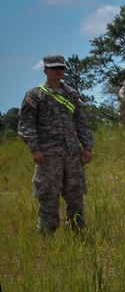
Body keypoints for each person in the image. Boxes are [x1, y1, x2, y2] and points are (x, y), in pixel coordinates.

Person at [17, 54, 94, 234]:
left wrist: (88, 147)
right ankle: (47, 236)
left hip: (72, 154)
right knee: (49, 196)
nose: (59, 71)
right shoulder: (35, 95)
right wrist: (34, 149)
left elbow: (82, 122)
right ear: (45, 70)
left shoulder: (71, 94)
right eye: (54, 68)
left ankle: (77, 231)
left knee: (76, 194)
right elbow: (26, 126)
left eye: (62, 67)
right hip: (48, 156)